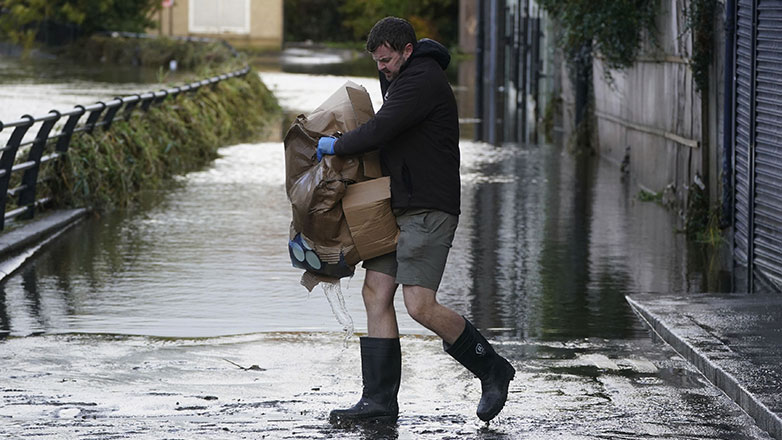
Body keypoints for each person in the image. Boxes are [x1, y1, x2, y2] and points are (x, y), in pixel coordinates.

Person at [316, 16, 515, 425]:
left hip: (429, 207)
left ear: (407, 51)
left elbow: (381, 129)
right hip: (400, 205)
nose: (382, 68)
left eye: (387, 60)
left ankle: (492, 368)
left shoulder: (421, 79)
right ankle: (379, 402)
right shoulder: (402, 76)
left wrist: (336, 145)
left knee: (419, 304)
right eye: (377, 62)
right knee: (375, 292)